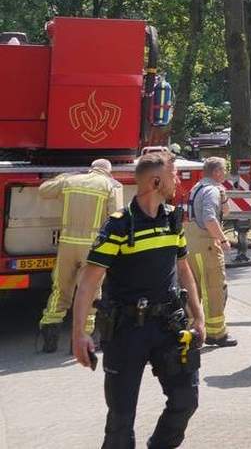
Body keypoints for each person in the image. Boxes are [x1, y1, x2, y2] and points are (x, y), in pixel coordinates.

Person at [70, 151, 205, 449]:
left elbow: (184, 269)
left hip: (169, 327)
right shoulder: (119, 225)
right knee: (120, 420)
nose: (177, 181)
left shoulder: (172, 219)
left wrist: (199, 317)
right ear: (156, 181)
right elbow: (89, 280)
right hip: (127, 331)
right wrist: (79, 333)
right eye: (172, 175)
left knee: (186, 401)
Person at [37, 158, 123, 352]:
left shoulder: (70, 180)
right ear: (108, 172)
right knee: (90, 291)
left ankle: (49, 336)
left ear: (90, 169)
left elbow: (43, 190)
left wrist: (62, 177)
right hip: (92, 248)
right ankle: (81, 341)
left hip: (67, 244)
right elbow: (116, 216)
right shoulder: (111, 185)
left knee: (60, 289)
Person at [183, 158, 236, 347]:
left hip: (191, 243)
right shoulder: (212, 190)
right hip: (207, 245)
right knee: (214, 289)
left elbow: (225, 211)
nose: (226, 174)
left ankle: (194, 331)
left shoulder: (197, 187)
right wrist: (222, 239)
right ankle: (217, 334)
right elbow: (210, 218)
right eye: (224, 170)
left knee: (194, 289)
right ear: (217, 172)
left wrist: (224, 198)